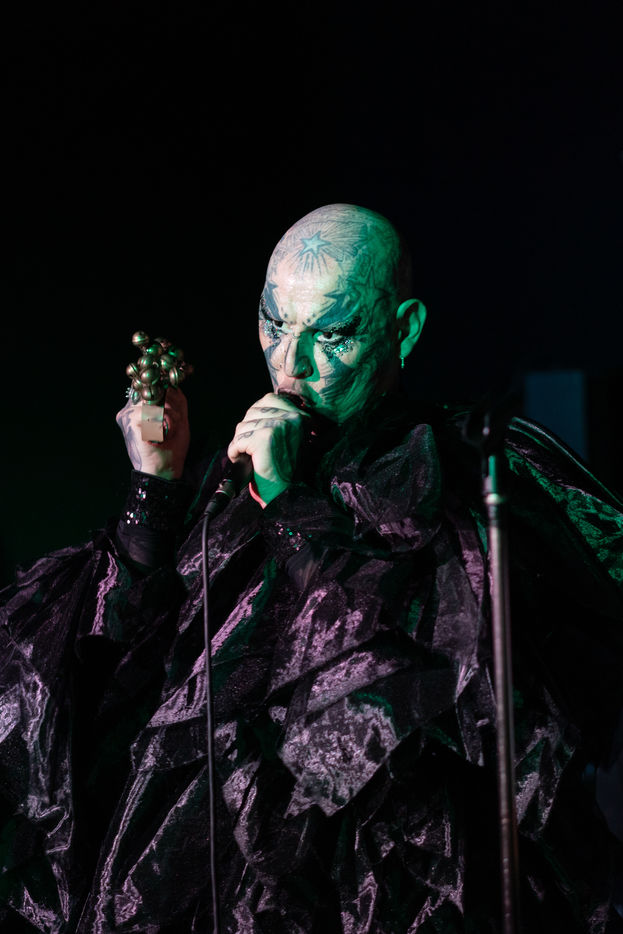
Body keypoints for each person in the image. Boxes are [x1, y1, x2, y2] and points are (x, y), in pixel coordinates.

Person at [1, 203, 622, 933]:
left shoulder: (453, 470)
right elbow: (121, 676)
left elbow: (403, 685)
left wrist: (288, 508)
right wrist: (156, 491)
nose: (290, 365)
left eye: (331, 334)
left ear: (404, 329)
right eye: (274, 324)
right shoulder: (239, 472)